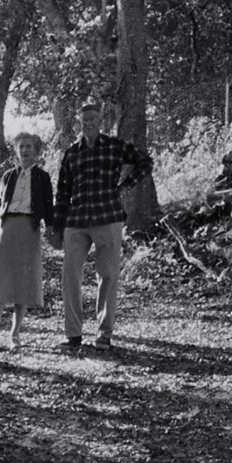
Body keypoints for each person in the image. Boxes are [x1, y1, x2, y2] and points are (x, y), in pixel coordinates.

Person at [48, 99, 151, 352]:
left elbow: (145, 162)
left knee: (108, 276)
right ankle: (73, 335)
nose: (90, 124)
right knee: (70, 277)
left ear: (101, 121)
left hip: (108, 218)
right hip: (77, 220)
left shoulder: (115, 147)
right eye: (85, 121)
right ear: (79, 124)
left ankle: (104, 335)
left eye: (94, 120)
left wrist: (125, 186)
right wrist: (56, 226)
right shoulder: (72, 153)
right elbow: (62, 192)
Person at [0, 132, 54, 352]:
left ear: (37, 151)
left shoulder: (43, 178)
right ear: (16, 150)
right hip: (6, 229)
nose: (24, 150)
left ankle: (15, 335)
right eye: (21, 146)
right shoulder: (7, 176)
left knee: (23, 282)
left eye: (29, 147)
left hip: (28, 229)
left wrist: (52, 230)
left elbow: (48, 208)